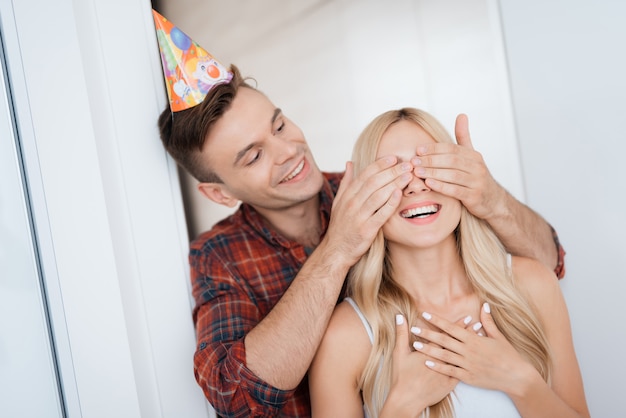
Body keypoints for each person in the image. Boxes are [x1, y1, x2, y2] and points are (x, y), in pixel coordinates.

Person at [153, 9, 565, 417]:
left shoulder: (371, 187)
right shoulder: (219, 256)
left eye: (279, 126)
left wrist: (489, 198)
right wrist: (337, 249)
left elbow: (548, 263)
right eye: (255, 155)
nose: (289, 151)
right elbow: (236, 397)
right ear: (219, 194)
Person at [308, 108, 588, 418]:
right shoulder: (345, 337)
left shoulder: (533, 284)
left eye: (429, 166)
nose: (416, 185)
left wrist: (520, 381)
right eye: (394, 174)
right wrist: (402, 405)